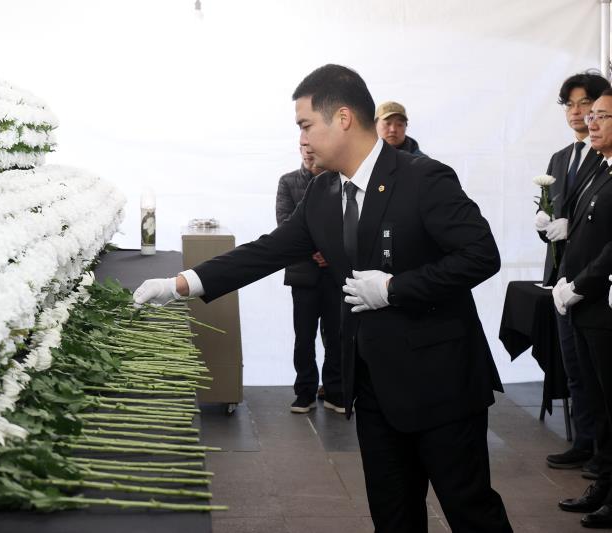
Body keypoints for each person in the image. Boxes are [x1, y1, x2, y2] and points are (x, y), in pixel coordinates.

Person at [134, 64, 511, 532]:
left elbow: (481, 255)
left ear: (344, 118)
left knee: (470, 510)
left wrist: (395, 288)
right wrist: (180, 284)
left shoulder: (424, 178)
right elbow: (267, 251)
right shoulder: (323, 191)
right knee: (393, 517)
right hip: (374, 387)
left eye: (306, 124)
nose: (303, 138)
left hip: (442, 384)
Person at [534, 72, 609, 475]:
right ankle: (583, 441)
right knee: (574, 368)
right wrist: (543, 222)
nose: (579, 114)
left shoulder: (605, 153)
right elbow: (553, 212)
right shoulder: (561, 158)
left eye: (588, 105)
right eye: (571, 105)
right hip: (561, 274)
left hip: (593, 280)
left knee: (598, 373)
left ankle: (602, 450)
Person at [554, 88, 612, 528]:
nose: (590, 122)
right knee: (593, 394)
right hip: (583, 301)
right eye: (589, 115)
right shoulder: (599, 168)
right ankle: (605, 485)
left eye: (601, 116)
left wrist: (583, 283)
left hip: (601, 300)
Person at [276, 146, 342, 414]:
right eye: (303, 147)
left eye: (311, 146)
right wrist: (316, 251)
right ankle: (304, 392)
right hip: (303, 273)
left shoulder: (340, 180)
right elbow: (285, 224)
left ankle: (335, 391)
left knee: (336, 335)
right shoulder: (288, 181)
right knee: (304, 337)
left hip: (335, 273)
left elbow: (348, 222)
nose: (307, 151)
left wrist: (331, 253)